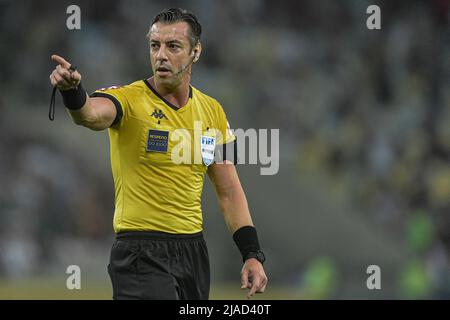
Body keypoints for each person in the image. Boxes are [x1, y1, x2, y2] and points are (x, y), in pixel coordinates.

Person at [49, 7, 267, 300]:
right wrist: (73, 92)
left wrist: (251, 253)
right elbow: (89, 115)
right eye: (155, 45)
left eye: (173, 46)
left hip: (192, 251)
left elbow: (228, 190)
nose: (161, 55)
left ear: (195, 52)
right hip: (140, 251)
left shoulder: (213, 112)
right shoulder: (127, 99)